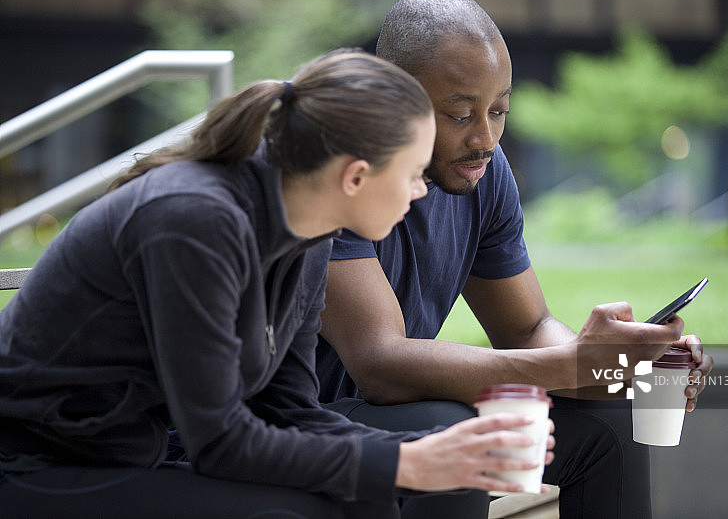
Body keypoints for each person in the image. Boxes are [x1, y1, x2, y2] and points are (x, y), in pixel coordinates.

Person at [0, 49, 555, 519]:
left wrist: (437, 454)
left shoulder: (307, 234)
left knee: (381, 491)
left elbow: (287, 408)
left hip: (128, 455)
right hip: (36, 463)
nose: (420, 194)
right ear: (356, 176)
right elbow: (219, 441)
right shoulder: (194, 220)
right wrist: (410, 464)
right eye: (413, 174)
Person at [315, 0, 715, 519]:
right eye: (460, 114)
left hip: (396, 409)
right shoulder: (337, 167)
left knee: (611, 427)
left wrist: (619, 368)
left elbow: (527, 330)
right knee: (455, 431)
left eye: (499, 110)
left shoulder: (483, 172)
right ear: (395, 102)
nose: (485, 137)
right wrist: (572, 364)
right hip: (301, 418)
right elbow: (380, 364)